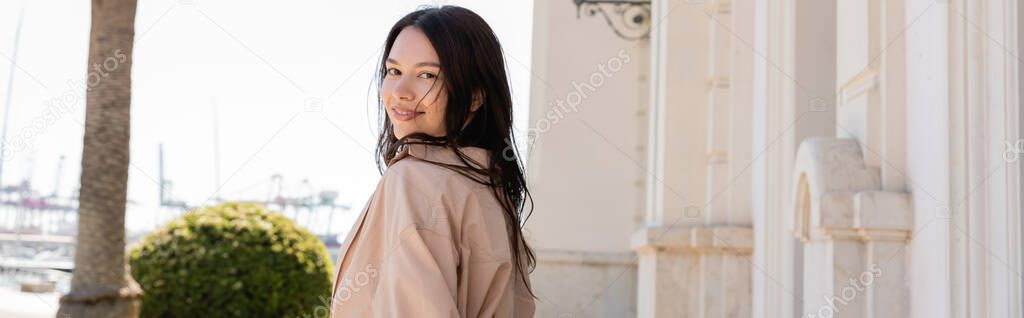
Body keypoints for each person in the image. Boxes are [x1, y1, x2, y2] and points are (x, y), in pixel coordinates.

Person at [329, 5, 536, 318]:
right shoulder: (492, 186)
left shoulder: (413, 181)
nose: (400, 92)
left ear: (475, 96)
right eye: (394, 71)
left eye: (427, 75)